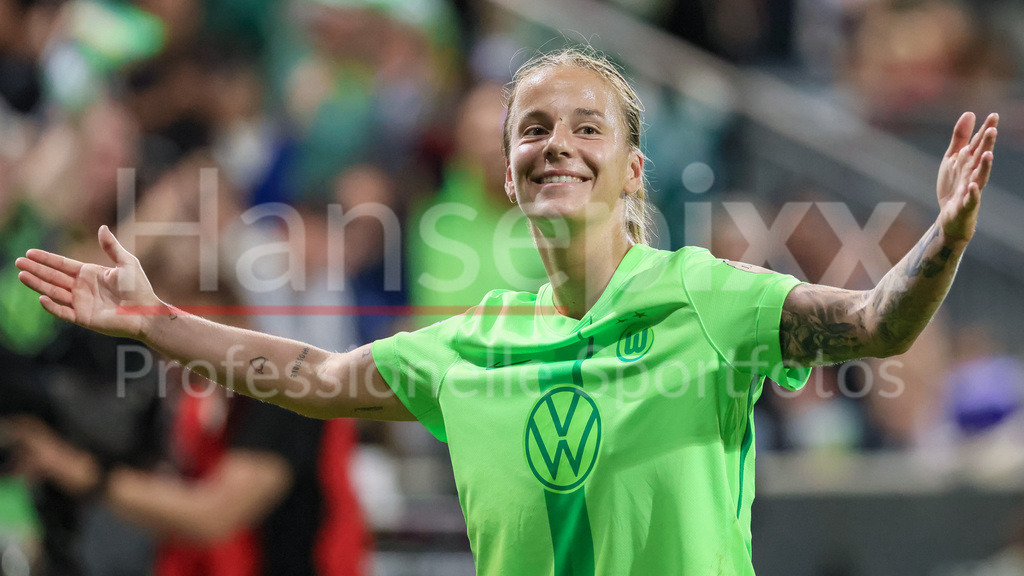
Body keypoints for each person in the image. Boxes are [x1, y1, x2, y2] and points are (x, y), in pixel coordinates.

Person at [15, 47, 998, 574]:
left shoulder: (708, 297)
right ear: (512, 168)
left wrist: (945, 235)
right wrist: (154, 321)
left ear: (632, 170)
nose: (556, 143)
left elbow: (877, 323)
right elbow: (315, 377)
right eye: (534, 127)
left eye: (585, 126)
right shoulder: (476, 344)